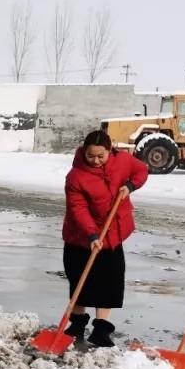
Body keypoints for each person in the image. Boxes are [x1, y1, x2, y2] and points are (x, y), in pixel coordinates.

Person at [61, 130, 149, 347]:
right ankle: (78, 323)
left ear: (110, 151)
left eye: (101, 156)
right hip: (80, 237)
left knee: (110, 281)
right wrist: (92, 234)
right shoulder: (76, 176)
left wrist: (130, 186)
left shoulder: (123, 161)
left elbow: (141, 170)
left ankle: (101, 329)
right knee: (80, 280)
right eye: (91, 156)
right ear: (84, 152)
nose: (96, 161)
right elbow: (78, 208)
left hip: (113, 233)